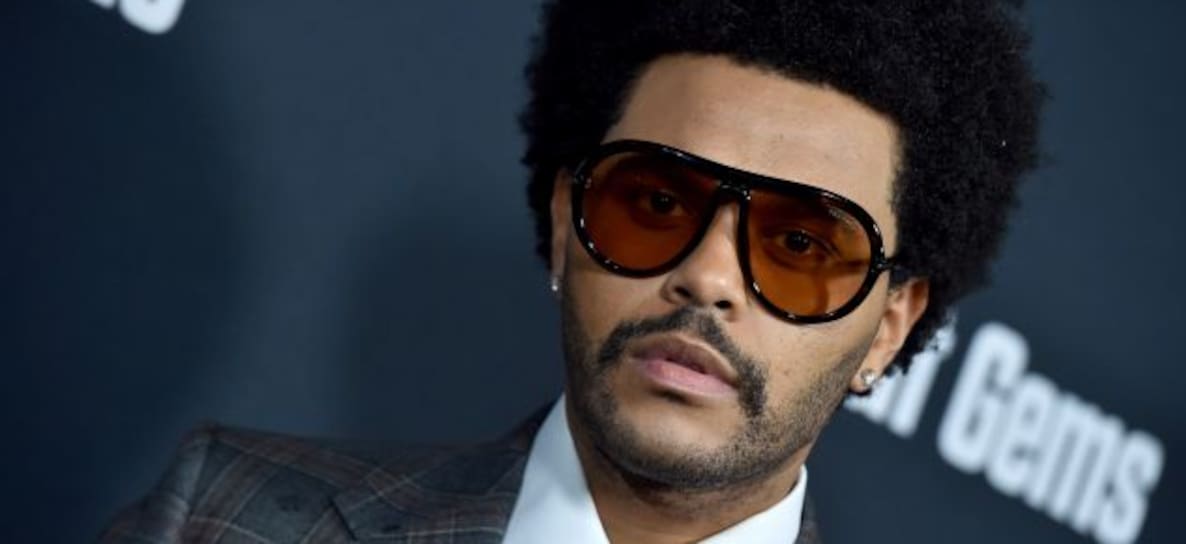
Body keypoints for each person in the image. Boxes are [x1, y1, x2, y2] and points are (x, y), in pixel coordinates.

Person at [101, 0, 1041, 542]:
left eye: (799, 247)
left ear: (889, 327)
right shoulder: (223, 515)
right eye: (657, 201)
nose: (708, 276)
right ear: (564, 221)